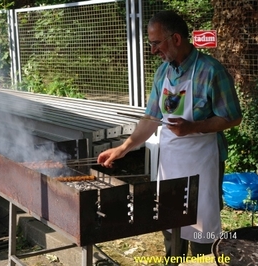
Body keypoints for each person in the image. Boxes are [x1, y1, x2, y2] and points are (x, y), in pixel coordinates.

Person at [97, 10, 242, 260]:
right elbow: (151, 118)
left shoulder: (210, 71)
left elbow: (232, 117)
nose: (153, 50)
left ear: (175, 39)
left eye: (156, 43)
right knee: (168, 222)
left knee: (201, 230)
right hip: (171, 162)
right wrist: (123, 148)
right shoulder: (162, 73)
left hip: (203, 164)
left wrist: (192, 127)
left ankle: (204, 261)